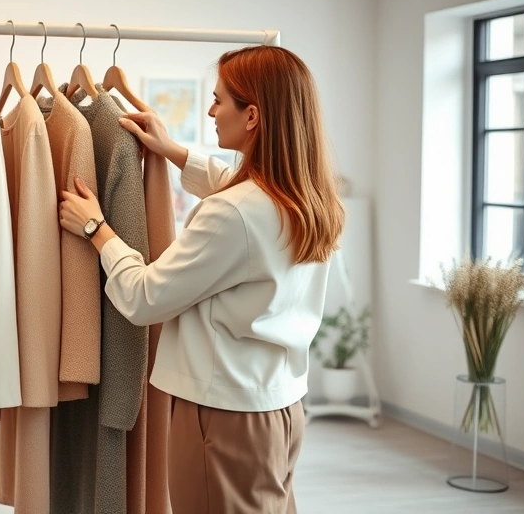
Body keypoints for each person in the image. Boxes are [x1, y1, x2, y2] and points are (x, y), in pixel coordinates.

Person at [59, 45, 345, 514]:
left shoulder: (232, 214)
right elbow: (234, 192)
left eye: (219, 100)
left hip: (222, 416)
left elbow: (145, 296)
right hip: (281, 409)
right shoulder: (308, 198)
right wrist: (173, 151)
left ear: (252, 115)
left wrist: (96, 228)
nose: (210, 111)